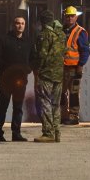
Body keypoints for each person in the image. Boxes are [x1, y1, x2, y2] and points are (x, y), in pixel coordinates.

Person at [0, 15, 32, 142]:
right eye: (17, 23)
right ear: (13, 25)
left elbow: (33, 58)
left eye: (22, 23)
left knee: (18, 107)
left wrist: (28, 69)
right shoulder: (4, 40)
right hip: (6, 80)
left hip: (20, 80)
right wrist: (6, 68)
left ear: (25, 25)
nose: (20, 25)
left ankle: (16, 133)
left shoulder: (28, 42)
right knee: (3, 106)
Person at [30, 10, 65, 142]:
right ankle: (57, 133)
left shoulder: (44, 35)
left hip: (46, 74)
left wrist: (36, 69)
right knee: (56, 105)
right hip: (58, 74)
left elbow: (41, 55)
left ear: (42, 21)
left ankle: (48, 133)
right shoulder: (61, 34)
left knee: (45, 102)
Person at [60, 6, 90, 125]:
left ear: (76, 17)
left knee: (73, 93)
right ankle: (63, 115)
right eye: (68, 16)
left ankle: (73, 116)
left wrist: (80, 65)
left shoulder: (80, 32)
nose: (70, 18)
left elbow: (85, 51)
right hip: (62, 67)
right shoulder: (61, 30)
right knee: (61, 93)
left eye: (72, 16)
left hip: (74, 68)